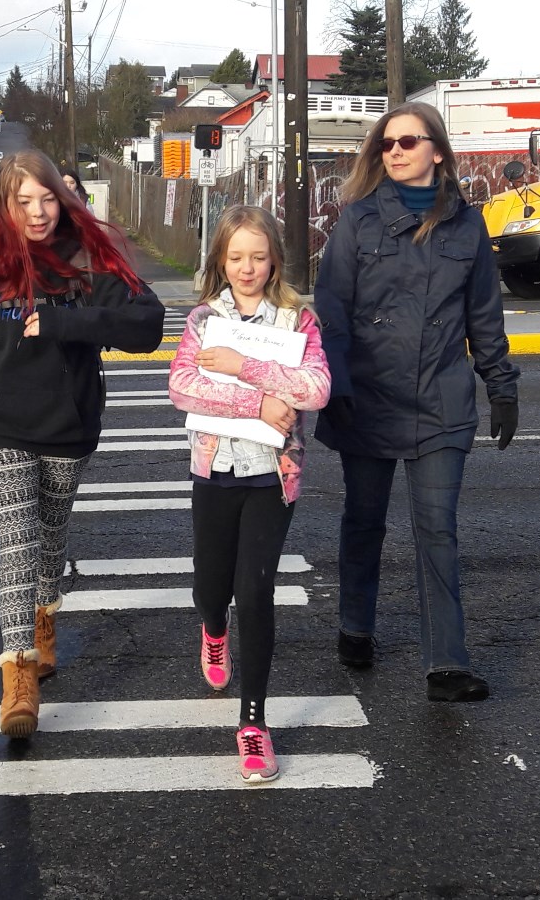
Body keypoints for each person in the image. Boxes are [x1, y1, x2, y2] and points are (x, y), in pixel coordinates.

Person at [0, 149, 165, 738]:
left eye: (47, 198)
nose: (38, 212)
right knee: (18, 543)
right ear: (6, 204)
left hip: (67, 428)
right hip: (2, 428)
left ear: (63, 196)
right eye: (24, 201)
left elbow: (149, 327)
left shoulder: (88, 260)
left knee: (48, 539)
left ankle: (45, 615)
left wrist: (67, 321)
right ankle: (17, 676)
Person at [314, 101, 519, 704]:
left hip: (441, 401)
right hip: (368, 395)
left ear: (438, 150)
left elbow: (484, 316)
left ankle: (446, 665)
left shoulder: (468, 227)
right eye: (388, 144)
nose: (396, 151)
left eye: (409, 141)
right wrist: (339, 387)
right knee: (364, 521)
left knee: (437, 528)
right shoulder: (356, 221)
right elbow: (332, 312)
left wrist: (501, 386)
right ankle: (356, 625)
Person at [168, 205, 330, 783]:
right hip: (215, 470)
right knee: (212, 588)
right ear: (220, 260)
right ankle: (214, 631)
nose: (247, 268)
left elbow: (316, 388)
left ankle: (254, 723)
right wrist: (255, 400)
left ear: (275, 262)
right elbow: (183, 386)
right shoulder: (202, 321)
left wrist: (247, 366)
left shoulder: (297, 321)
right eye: (236, 257)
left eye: (259, 257)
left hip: (272, 475)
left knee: (255, 591)